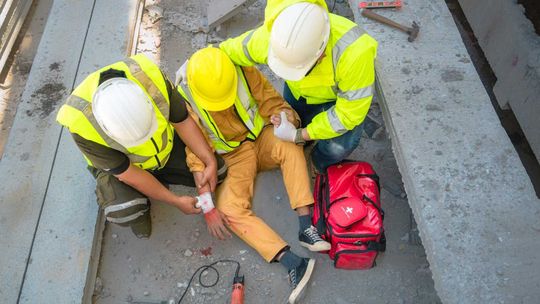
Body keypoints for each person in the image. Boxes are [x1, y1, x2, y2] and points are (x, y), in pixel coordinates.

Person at [176, 47, 330, 304]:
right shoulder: (185, 100)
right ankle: (293, 263)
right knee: (227, 209)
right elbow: (196, 160)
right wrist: (208, 207)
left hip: (262, 137)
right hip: (234, 157)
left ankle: (307, 227)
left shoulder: (241, 69)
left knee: (291, 146)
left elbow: (276, 104)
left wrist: (284, 120)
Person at [56, 54, 228, 238]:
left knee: (218, 171)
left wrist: (208, 160)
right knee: (124, 210)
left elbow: (183, 122)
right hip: (123, 169)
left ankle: (159, 181)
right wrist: (175, 201)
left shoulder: (149, 78)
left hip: (165, 150)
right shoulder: (81, 124)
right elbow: (130, 175)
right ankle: (141, 209)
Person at [220, 0, 378, 173]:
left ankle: (319, 164)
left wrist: (300, 135)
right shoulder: (275, 37)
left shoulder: (355, 54)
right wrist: (200, 63)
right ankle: (302, 144)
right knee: (294, 119)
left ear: (322, 52)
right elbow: (229, 52)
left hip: (337, 99)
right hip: (298, 93)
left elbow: (347, 114)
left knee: (338, 146)